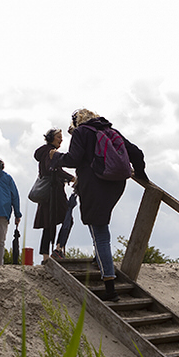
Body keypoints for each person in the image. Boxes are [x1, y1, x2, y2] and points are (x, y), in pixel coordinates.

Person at [49, 109, 147, 301]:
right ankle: (100, 260)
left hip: (94, 185)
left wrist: (56, 157)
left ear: (76, 122)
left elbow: (73, 159)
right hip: (116, 185)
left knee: (100, 233)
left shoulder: (80, 133)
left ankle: (110, 289)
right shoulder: (110, 131)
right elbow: (137, 153)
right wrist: (141, 174)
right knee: (101, 226)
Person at [32, 128, 75, 259]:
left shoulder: (44, 151)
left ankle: (46, 255)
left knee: (49, 223)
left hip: (47, 193)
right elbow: (54, 169)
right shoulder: (50, 152)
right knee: (67, 219)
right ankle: (58, 248)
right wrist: (72, 178)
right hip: (54, 192)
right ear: (51, 138)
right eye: (58, 137)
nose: (61, 139)